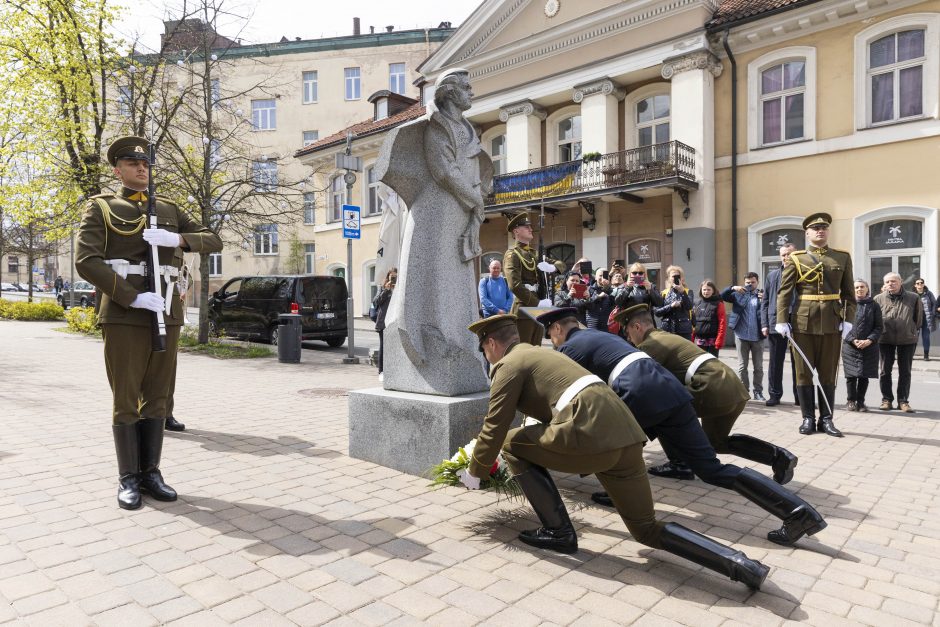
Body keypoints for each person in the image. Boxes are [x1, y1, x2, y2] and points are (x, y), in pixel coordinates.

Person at [459, 314, 769, 589]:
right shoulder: (538, 354)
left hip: (591, 435)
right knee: (645, 528)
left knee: (512, 443)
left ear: (490, 344)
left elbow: (494, 427)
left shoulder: (508, 365)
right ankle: (740, 564)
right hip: (625, 434)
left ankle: (559, 532)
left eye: (484, 349)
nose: (486, 355)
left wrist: (476, 472)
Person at [537, 307, 824, 547]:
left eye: (551, 335)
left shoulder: (571, 347)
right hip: (671, 392)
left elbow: (562, 389)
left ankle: (622, 495)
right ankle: (799, 513)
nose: (553, 342)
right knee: (711, 469)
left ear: (559, 330)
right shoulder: (597, 335)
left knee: (615, 448)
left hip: (640, 395)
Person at [76, 136, 223, 509]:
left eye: (144, 163)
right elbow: (86, 260)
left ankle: (151, 472)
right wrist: (131, 295)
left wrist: (179, 238)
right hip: (126, 314)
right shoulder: (103, 207)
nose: (141, 168)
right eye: (131, 162)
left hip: (167, 312)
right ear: (117, 169)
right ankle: (128, 477)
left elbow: (214, 239)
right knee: (126, 396)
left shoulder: (170, 208)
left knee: (158, 395)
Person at [615, 305, 803, 488]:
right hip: (731, 387)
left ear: (636, 327)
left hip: (711, 387)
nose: (629, 340)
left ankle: (679, 465)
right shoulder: (665, 336)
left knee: (663, 411)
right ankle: (779, 457)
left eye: (628, 333)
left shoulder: (651, 344)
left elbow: (633, 379)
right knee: (716, 442)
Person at [776, 213, 855, 437]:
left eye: (824, 228)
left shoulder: (842, 258)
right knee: (803, 374)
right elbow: (784, 292)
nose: (820, 231)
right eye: (815, 228)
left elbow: (849, 293)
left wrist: (848, 319)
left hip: (831, 321)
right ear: (807, 233)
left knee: (828, 373)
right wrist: (782, 320)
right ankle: (808, 418)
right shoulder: (797, 258)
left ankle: (827, 419)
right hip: (802, 323)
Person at [503, 212, 565, 345]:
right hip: (524, 310)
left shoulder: (534, 254)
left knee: (536, 348)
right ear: (516, 231)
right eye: (526, 227)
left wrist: (553, 268)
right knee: (525, 351)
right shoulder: (512, 254)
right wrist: (537, 303)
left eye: (530, 227)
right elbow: (514, 285)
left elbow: (562, 264)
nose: (531, 229)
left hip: (538, 309)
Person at [874, 272, 922, 413]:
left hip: (907, 339)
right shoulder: (878, 299)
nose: (891, 284)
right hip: (885, 339)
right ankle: (886, 400)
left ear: (901, 281)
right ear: (885, 283)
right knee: (884, 371)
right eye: (888, 281)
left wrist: (912, 331)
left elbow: (918, 319)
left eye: (894, 281)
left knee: (905, 371)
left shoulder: (913, 298)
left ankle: (903, 401)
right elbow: (876, 320)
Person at [762, 244, 798, 407]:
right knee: (775, 362)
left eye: (789, 254)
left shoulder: (803, 274)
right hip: (775, 322)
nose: (786, 257)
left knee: (799, 362)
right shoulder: (772, 275)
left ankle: (800, 396)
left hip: (798, 322)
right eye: (783, 254)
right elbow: (766, 301)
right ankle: (774, 395)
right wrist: (764, 323)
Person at [722, 272, 765, 401]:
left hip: (757, 336)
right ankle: (744, 391)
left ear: (757, 282)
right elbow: (722, 296)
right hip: (741, 336)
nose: (750, 285)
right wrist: (732, 288)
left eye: (752, 282)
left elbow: (769, 309)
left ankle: (758, 392)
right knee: (742, 367)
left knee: (758, 367)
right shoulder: (738, 294)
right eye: (747, 282)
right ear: (744, 282)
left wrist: (763, 300)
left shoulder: (762, 295)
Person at [843, 279, 883, 412]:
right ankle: (850, 401)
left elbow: (878, 327)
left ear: (867, 289)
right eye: (856, 287)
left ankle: (860, 402)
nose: (859, 289)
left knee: (864, 376)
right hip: (850, 346)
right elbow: (840, 325)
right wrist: (852, 340)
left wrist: (869, 340)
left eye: (862, 287)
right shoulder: (845, 304)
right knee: (851, 376)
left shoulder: (874, 305)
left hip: (869, 346)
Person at [656, 265, 693, 340]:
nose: (675, 278)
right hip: (667, 329)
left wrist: (682, 291)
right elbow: (657, 312)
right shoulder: (664, 293)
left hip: (683, 331)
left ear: (682, 278)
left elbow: (689, 306)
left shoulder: (688, 291)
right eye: (673, 276)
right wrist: (671, 306)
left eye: (678, 276)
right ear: (669, 278)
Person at [373, 268, 397, 381]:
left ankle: (394, 370)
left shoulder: (399, 289)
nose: (393, 279)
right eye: (391, 277)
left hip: (395, 322)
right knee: (383, 347)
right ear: (388, 277)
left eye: (395, 277)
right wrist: (386, 290)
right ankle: (381, 371)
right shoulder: (383, 288)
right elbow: (375, 302)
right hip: (383, 322)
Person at [692, 280, 725, 357]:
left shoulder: (719, 304)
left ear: (713, 291)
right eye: (704, 289)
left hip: (713, 340)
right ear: (701, 290)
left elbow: (722, 323)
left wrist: (719, 340)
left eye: (709, 289)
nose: (706, 292)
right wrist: (692, 338)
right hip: (699, 340)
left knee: (712, 364)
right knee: (700, 363)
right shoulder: (696, 303)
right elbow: (693, 322)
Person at [913, 278, 936, 361]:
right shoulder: (912, 294)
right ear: (915, 285)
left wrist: (932, 314)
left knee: (926, 337)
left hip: (927, 318)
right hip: (916, 319)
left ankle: (926, 355)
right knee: (914, 337)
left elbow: (934, 304)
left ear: (923, 284)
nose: (919, 284)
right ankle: (911, 354)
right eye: (917, 283)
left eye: (921, 283)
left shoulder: (929, 294)